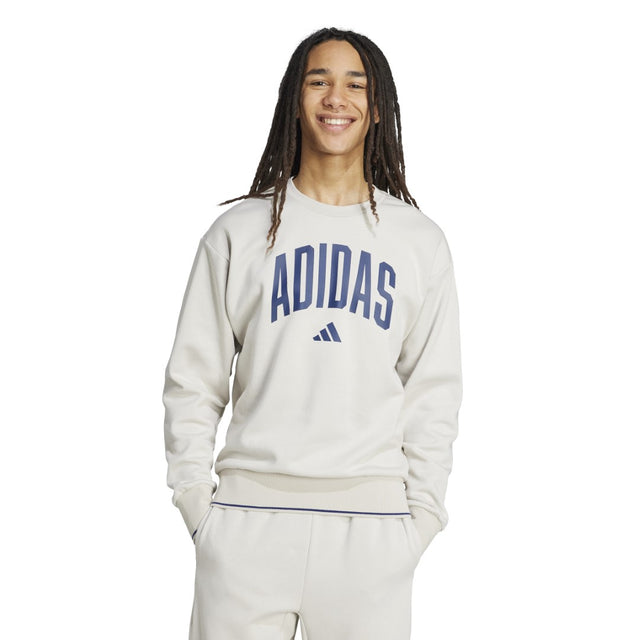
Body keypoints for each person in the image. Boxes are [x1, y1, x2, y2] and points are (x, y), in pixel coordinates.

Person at [162, 26, 463, 640]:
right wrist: (198, 506)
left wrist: (421, 519)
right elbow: (193, 380)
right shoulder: (238, 233)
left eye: (356, 84)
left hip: (372, 531)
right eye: (318, 81)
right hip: (246, 522)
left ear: (377, 108)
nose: (336, 98)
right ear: (293, 101)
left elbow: (434, 392)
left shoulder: (418, 241)